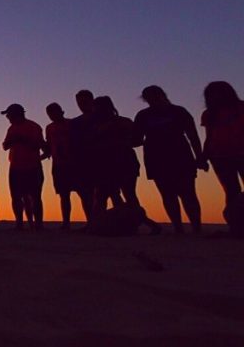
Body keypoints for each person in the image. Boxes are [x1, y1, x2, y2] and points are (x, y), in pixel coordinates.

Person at [134, 86, 206, 235]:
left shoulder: (179, 111)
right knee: (167, 194)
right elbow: (137, 139)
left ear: (162, 95)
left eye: (155, 96)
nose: (152, 100)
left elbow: (192, 135)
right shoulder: (143, 115)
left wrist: (199, 156)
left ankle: (196, 227)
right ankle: (178, 227)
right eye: (149, 98)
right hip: (156, 158)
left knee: (188, 193)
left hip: (181, 156)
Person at [90, 96, 145, 219]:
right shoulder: (94, 126)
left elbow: (138, 140)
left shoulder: (124, 122)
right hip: (105, 163)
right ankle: (98, 223)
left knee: (127, 193)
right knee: (103, 194)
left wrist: (118, 143)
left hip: (123, 161)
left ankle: (133, 222)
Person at [201, 81, 244, 224]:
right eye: (212, 94)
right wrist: (203, 157)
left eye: (219, 93)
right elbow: (209, 136)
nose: (216, 97)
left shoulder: (241, 108)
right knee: (231, 190)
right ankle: (235, 223)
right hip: (220, 156)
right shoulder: (209, 114)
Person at [1, 104, 46, 230]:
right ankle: (19, 223)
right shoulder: (12, 128)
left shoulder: (34, 127)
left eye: (9, 115)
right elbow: (5, 146)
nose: (8, 118)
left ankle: (38, 224)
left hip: (32, 167)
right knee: (16, 196)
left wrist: (22, 139)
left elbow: (39, 146)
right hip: (15, 166)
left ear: (17, 114)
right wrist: (12, 141)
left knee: (35, 196)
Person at [43, 103, 75, 229]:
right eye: (49, 114)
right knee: (64, 194)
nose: (52, 116)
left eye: (54, 112)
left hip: (74, 163)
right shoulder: (49, 128)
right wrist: (42, 155)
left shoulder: (72, 124)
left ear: (61, 111)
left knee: (84, 192)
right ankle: (66, 222)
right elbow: (49, 146)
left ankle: (90, 220)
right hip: (58, 164)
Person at [68, 89, 98, 223]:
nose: (82, 105)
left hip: (102, 160)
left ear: (92, 101)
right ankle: (91, 222)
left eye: (85, 102)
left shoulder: (101, 118)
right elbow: (72, 143)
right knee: (85, 194)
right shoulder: (75, 123)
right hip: (81, 162)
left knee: (111, 193)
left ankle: (115, 221)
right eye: (79, 102)